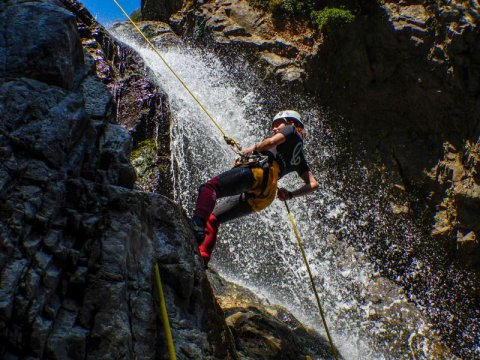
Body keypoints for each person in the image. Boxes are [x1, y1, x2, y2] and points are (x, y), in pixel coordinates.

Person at [191, 110, 319, 267]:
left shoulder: (291, 129)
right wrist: (290, 195)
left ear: (290, 122)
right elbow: (313, 184)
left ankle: (196, 226)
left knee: (209, 188)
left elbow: (271, 142)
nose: (275, 129)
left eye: (278, 124)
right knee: (213, 218)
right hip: (267, 194)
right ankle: (202, 258)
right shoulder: (300, 157)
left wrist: (251, 149)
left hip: (259, 172)